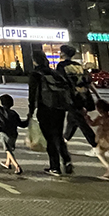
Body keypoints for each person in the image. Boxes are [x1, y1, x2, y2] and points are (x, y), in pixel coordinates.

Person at [28, 48, 75, 176]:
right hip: (59, 108)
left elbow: (32, 95)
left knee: (49, 138)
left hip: (45, 108)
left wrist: (31, 111)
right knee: (58, 135)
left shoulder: (35, 74)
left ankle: (55, 167)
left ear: (34, 60)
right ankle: (67, 160)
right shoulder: (54, 73)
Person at [56, 45, 98, 149]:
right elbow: (88, 82)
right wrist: (97, 96)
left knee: (80, 121)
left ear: (64, 53)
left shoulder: (62, 66)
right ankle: (65, 139)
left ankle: (96, 144)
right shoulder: (79, 66)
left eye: (61, 52)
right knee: (72, 120)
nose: (60, 53)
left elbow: (60, 82)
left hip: (71, 97)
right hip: (83, 95)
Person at [0, 92, 28, 175]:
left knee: (8, 150)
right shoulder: (14, 113)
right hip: (14, 134)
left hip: (4, 133)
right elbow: (21, 124)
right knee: (10, 148)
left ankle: (17, 166)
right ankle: (7, 163)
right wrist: (28, 119)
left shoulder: (0, 110)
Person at [87, 99, 109, 181]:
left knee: (98, 153)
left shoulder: (102, 118)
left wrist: (87, 117)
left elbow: (92, 124)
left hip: (104, 138)